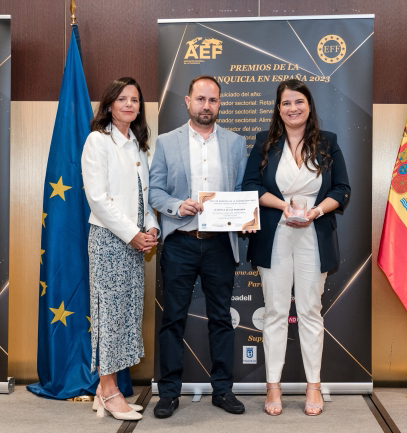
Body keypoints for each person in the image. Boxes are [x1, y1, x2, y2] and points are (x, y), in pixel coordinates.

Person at [242, 79, 350, 416]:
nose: (293, 108)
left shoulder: (327, 142)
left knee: (309, 311)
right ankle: (272, 385)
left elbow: (343, 188)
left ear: (309, 105)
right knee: (274, 311)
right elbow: (250, 186)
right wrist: (282, 206)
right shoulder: (264, 142)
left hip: (313, 235)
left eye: (299, 102)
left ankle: (313, 386)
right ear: (278, 108)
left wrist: (316, 211)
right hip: (275, 233)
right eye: (286, 103)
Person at [149, 75, 248, 418]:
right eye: (201, 99)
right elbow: (155, 192)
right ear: (187, 102)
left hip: (221, 245)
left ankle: (223, 391)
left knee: (221, 319)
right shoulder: (166, 142)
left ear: (220, 104)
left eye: (213, 100)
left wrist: (244, 215)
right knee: (173, 319)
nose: (207, 106)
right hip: (181, 243)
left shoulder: (236, 143)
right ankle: (169, 394)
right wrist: (178, 206)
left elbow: (240, 191)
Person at [81, 77, 159, 421]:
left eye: (135, 100)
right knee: (109, 315)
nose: (129, 104)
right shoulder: (98, 141)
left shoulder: (139, 145)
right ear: (110, 103)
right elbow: (98, 198)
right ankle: (109, 391)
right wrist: (132, 234)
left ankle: (106, 389)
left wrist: (152, 225)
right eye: (123, 98)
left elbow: (145, 197)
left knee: (126, 314)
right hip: (110, 240)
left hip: (134, 241)